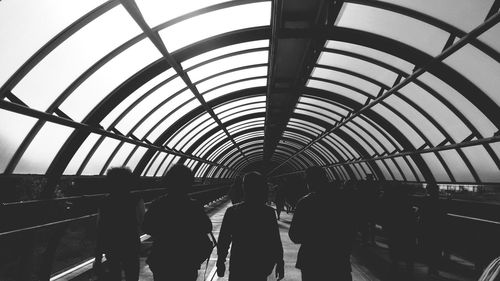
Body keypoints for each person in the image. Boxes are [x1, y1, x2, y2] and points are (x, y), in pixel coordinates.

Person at [142, 164, 212, 281]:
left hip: (162, 257)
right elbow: (206, 227)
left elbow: (147, 227)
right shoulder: (193, 206)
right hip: (187, 259)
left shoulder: (158, 204)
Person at [289, 166, 355, 281]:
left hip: (311, 260)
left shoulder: (305, 203)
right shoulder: (344, 200)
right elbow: (351, 230)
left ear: (310, 181)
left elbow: (294, 235)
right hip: (338, 261)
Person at [216, 172, 284, 281]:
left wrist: (220, 260)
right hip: (260, 263)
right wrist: (280, 261)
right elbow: (274, 240)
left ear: (244, 187)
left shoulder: (232, 211)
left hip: (238, 263)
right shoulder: (268, 213)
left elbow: (224, 239)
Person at [94, 167, 145, 281]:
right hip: (131, 243)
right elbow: (144, 223)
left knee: (114, 274)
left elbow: (100, 229)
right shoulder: (136, 200)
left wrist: (97, 258)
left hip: (111, 245)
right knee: (132, 274)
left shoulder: (104, 202)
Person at [420, 183, 445, 276]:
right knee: (436, 248)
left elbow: (422, 214)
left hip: (427, 228)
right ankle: (434, 268)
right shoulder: (439, 201)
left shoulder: (425, 201)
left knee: (429, 247)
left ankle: (431, 267)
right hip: (437, 228)